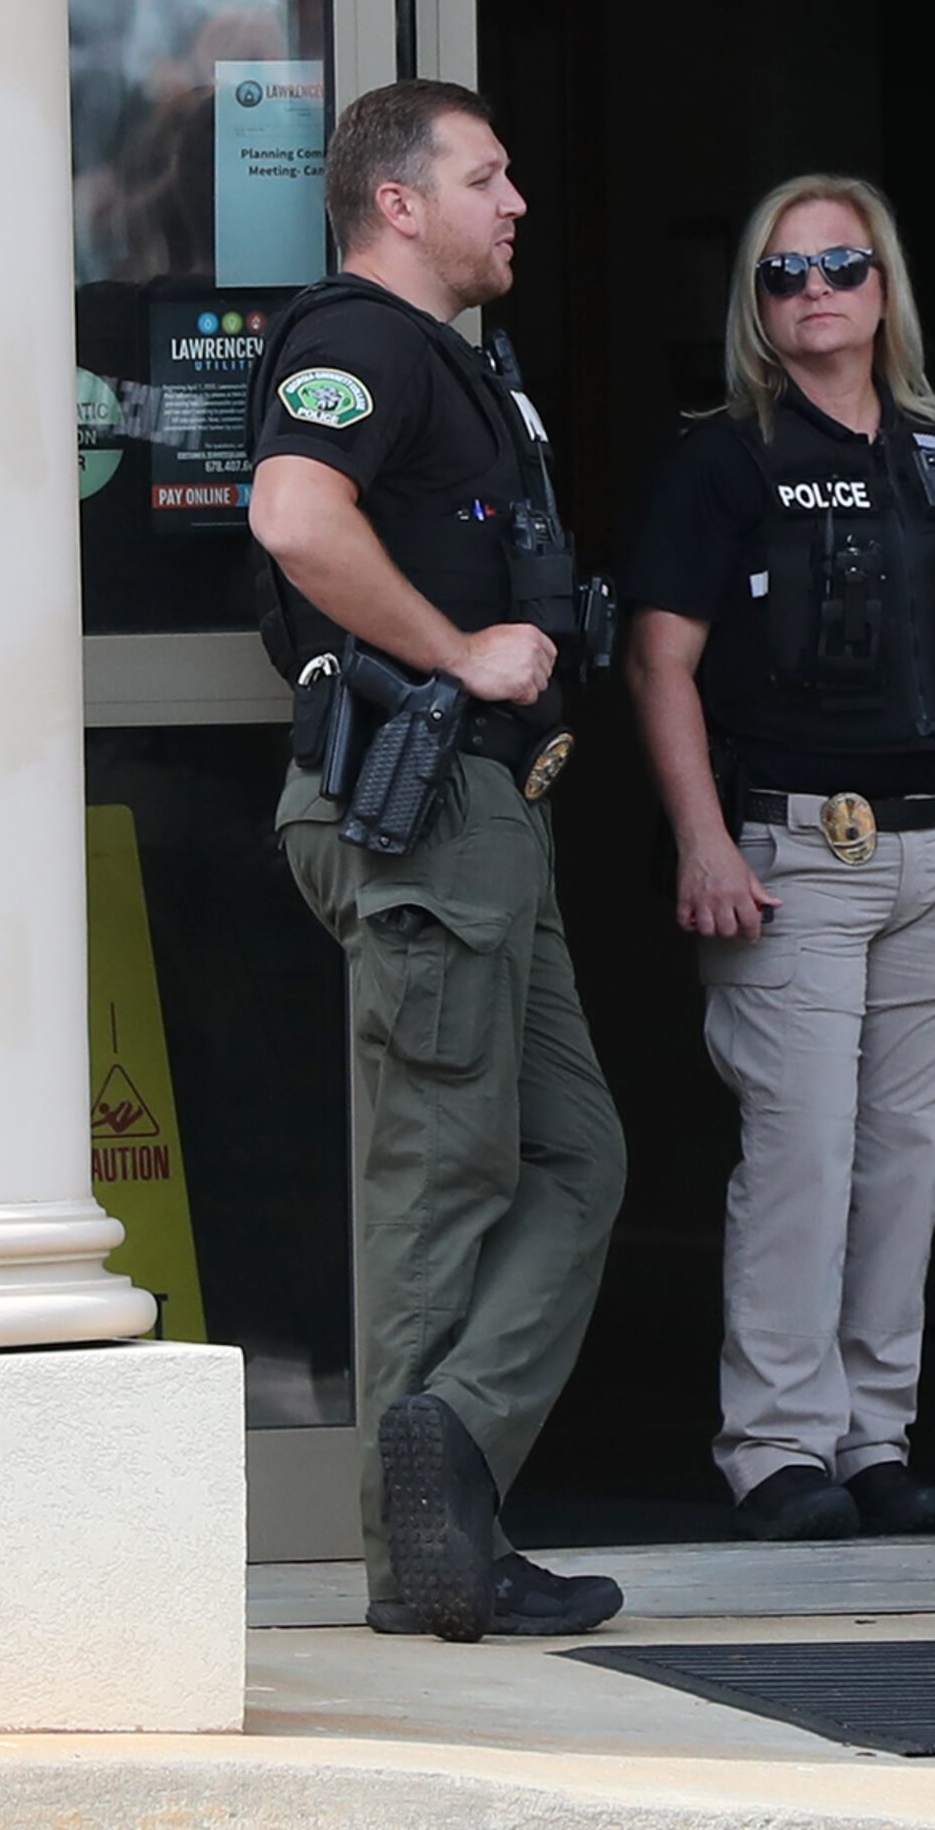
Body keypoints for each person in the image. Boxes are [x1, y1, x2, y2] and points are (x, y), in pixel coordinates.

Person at [625, 174, 935, 1543]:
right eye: (784, 274)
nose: (815, 291)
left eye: (840, 266)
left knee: (909, 1158)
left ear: (885, 286)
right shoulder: (720, 462)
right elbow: (661, 659)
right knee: (802, 1153)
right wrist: (701, 836)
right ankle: (777, 1451)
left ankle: (875, 1436)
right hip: (794, 851)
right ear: (756, 308)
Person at [249, 80, 628, 1642]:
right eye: (488, 174)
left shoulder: (456, 368)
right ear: (399, 203)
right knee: (443, 1181)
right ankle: (424, 1557)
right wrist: (459, 649)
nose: (517, 201)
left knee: (571, 1159)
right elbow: (292, 514)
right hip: (423, 812)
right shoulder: (362, 339)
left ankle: (453, 1455)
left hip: (481, 820)